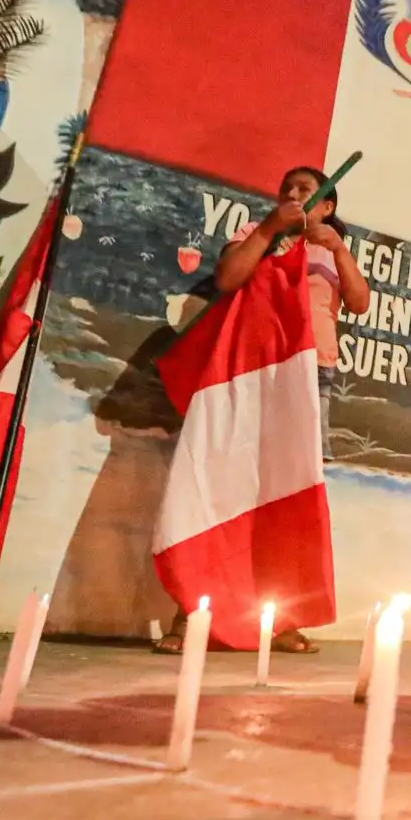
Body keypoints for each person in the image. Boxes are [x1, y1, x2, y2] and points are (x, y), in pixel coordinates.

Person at [154, 165, 370, 655]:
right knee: (220, 485)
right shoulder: (256, 233)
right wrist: (272, 229)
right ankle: (190, 615)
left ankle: (283, 618)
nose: (294, 195)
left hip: (310, 376)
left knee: (291, 493)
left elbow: (358, 303)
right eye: (286, 189)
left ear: (328, 205)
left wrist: (336, 249)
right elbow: (229, 277)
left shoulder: (331, 251)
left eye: (307, 191)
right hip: (246, 374)